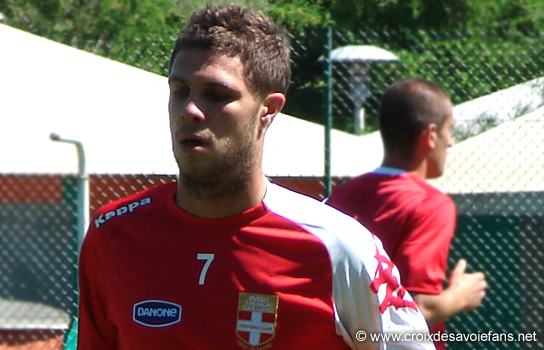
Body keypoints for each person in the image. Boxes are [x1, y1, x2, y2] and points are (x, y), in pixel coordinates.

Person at [77, 5, 433, 350]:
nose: (190, 110)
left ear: (268, 110)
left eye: (217, 95)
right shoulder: (114, 235)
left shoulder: (339, 248)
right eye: (179, 91)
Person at [327, 78, 488, 350]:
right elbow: (414, 309)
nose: (450, 143)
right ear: (431, 135)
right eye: (450, 131)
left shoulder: (339, 196)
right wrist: (459, 297)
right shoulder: (430, 204)